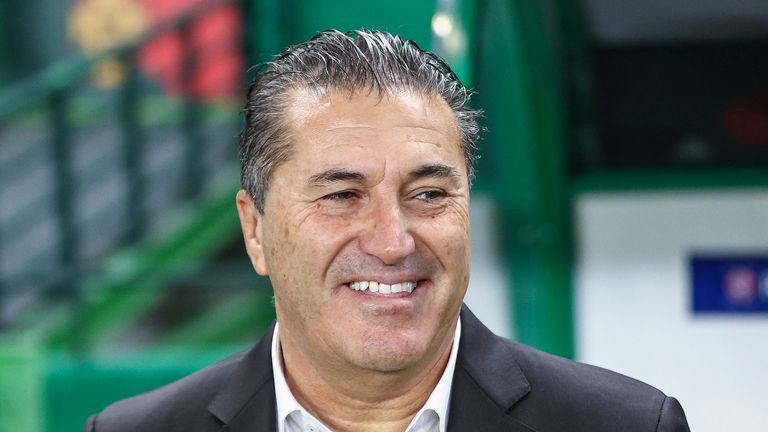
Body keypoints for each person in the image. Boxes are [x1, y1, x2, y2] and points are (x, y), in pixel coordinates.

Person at [84, 29, 690, 432]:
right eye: (342, 196)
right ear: (255, 230)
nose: (392, 241)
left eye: (428, 195)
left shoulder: (628, 426)